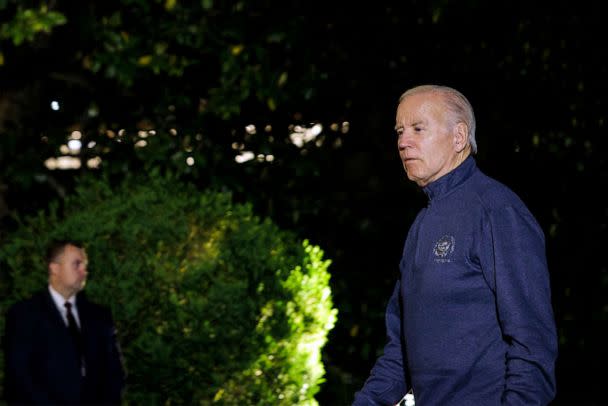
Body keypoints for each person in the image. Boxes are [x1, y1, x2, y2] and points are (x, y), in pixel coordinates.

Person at [353, 85, 557, 405]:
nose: (403, 142)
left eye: (418, 129)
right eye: (400, 131)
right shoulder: (421, 225)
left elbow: (532, 346)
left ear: (459, 137)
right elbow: (400, 354)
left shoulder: (497, 212)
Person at [3, 240, 125, 404]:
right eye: (77, 264)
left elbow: (114, 373)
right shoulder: (24, 315)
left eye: (85, 265)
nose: (84, 271)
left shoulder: (100, 316)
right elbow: (19, 378)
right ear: (54, 268)